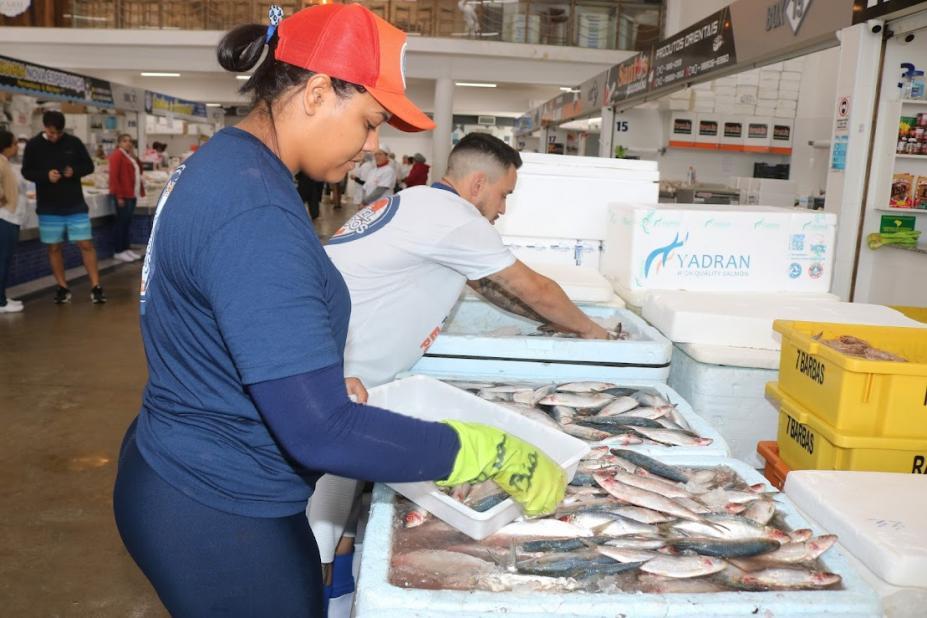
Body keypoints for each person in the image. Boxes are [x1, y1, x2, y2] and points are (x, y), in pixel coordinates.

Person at [111, 6, 566, 617]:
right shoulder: (256, 212)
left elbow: (210, 325)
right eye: (371, 121)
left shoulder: (227, 166)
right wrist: (480, 449)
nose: (374, 145)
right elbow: (318, 432)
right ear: (318, 92)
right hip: (215, 502)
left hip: (189, 463)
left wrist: (307, 379)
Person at [313, 132, 611, 595]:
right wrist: (593, 333)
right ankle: (314, 594)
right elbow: (533, 288)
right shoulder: (454, 218)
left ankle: (339, 591)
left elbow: (493, 288)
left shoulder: (419, 204)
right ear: (477, 184)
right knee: (319, 530)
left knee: (344, 511)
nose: (504, 209)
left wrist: (560, 326)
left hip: (347, 375)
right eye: (503, 194)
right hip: (335, 385)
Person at [21, 110, 106, 304]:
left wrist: (74, 171)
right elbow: (27, 171)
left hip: (74, 203)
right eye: (51, 133)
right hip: (48, 206)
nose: (55, 137)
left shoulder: (73, 142)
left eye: (58, 133)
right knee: (54, 247)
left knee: (85, 244)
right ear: (44, 128)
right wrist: (45, 176)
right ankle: (62, 287)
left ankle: (96, 286)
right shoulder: (33, 145)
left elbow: (89, 166)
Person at [108, 134, 145, 263]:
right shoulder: (117, 155)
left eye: (130, 141)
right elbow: (114, 177)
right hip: (123, 195)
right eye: (124, 141)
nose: (128, 143)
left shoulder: (128, 156)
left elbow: (139, 170)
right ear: (119, 143)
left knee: (127, 223)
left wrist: (135, 156)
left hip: (131, 194)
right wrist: (118, 196)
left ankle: (126, 248)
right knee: (121, 223)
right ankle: (119, 250)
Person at [0, 130, 26, 314]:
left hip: (11, 216)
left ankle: (1, 296)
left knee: (5, 259)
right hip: (5, 217)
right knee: (2, 259)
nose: (17, 146)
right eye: (15, 143)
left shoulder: (5, 162)